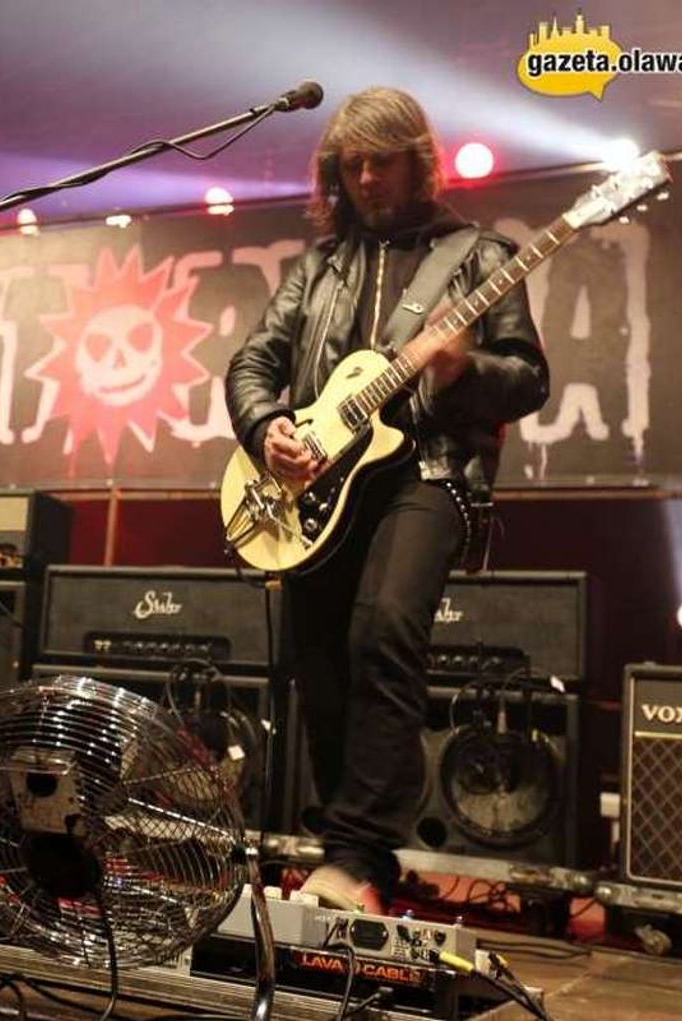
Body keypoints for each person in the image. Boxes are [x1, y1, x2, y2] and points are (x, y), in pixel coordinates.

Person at [225, 87, 549, 913]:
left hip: (431, 473)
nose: (367, 178)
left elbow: (527, 377)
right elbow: (253, 363)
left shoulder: (477, 254)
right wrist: (265, 427)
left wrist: (461, 368)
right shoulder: (318, 267)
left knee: (384, 629)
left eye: (382, 162)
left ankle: (358, 857)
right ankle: (351, 853)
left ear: (418, 161)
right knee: (319, 660)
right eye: (352, 165)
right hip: (323, 486)